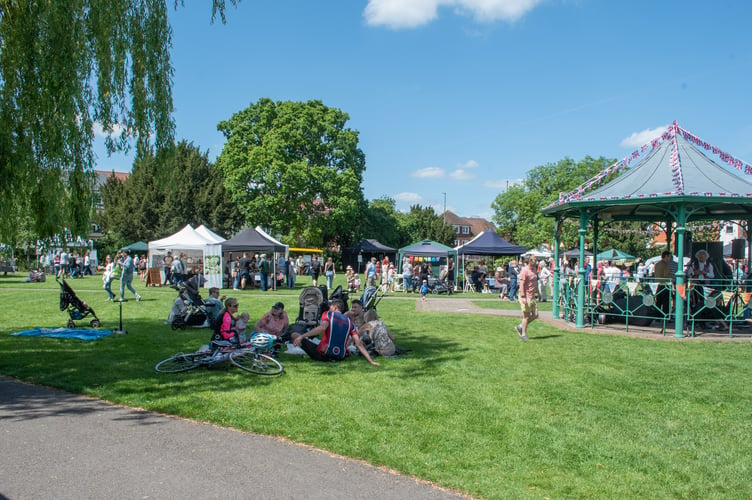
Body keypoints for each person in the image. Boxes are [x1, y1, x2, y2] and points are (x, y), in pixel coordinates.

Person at [291, 299, 379, 366]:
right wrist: (371, 361)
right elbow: (358, 343)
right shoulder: (349, 322)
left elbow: (322, 327)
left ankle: (299, 346)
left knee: (295, 335)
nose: (329, 308)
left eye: (331, 307)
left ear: (335, 308)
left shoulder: (328, 314)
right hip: (340, 357)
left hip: (324, 354)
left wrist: (302, 336)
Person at [515, 256, 539, 340]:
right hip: (526, 296)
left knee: (535, 315)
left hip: (532, 296)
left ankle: (520, 326)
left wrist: (538, 293)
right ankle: (523, 335)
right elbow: (521, 284)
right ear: (529, 261)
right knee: (526, 316)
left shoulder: (534, 270)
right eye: (535, 260)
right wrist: (523, 296)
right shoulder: (524, 271)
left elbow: (535, 283)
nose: (536, 261)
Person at [653, 250, 674, 316]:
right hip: (665, 284)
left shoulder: (657, 264)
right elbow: (666, 274)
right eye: (670, 257)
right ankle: (666, 316)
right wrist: (672, 275)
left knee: (658, 301)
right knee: (666, 302)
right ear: (666, 256)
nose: (670, 258)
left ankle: (657, 316)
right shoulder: (665, 265)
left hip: (658, 284)